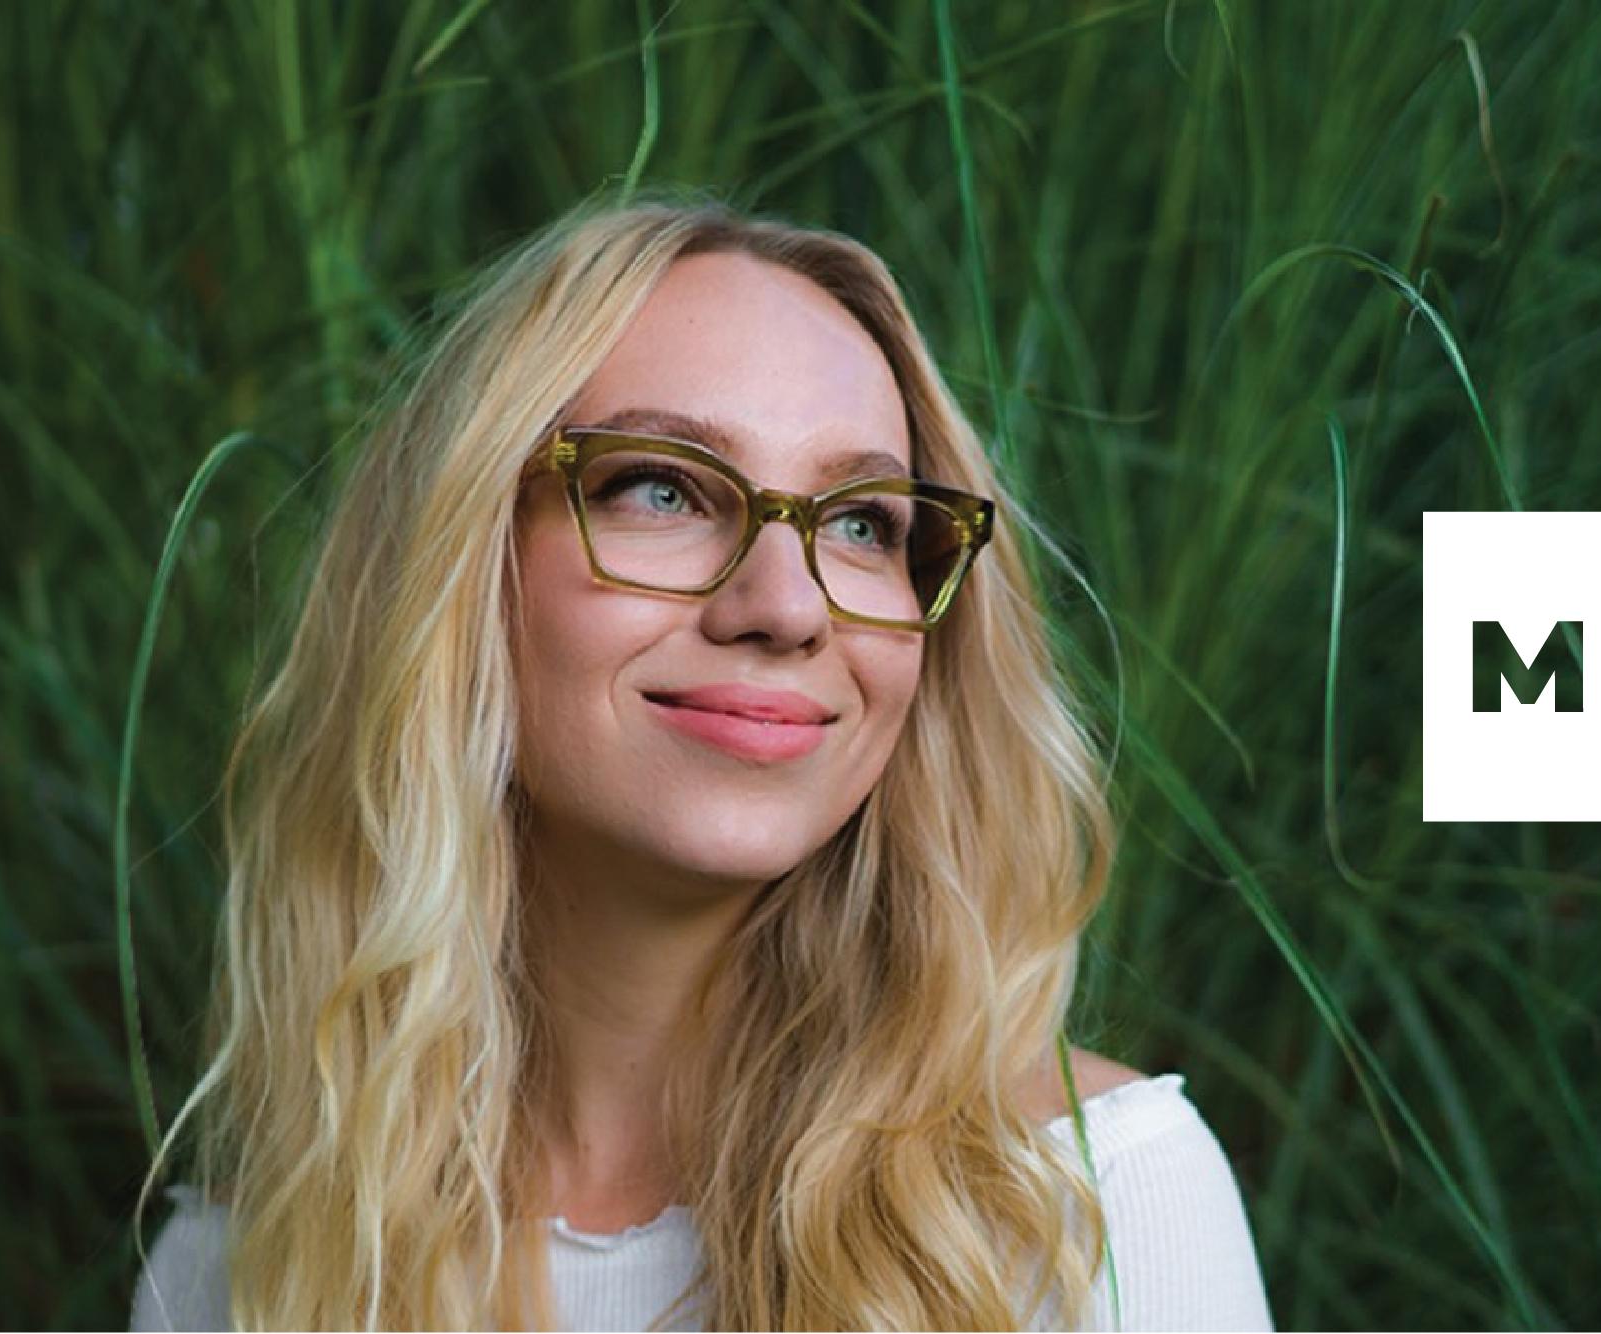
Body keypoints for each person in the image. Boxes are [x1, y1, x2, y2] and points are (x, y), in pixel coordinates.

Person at [127, 188, 1274, 1331]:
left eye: (862, 522)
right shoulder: (232, 1270)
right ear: (457, 570)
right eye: (661, 488)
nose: (785, 605)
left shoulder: (1089, 1206)